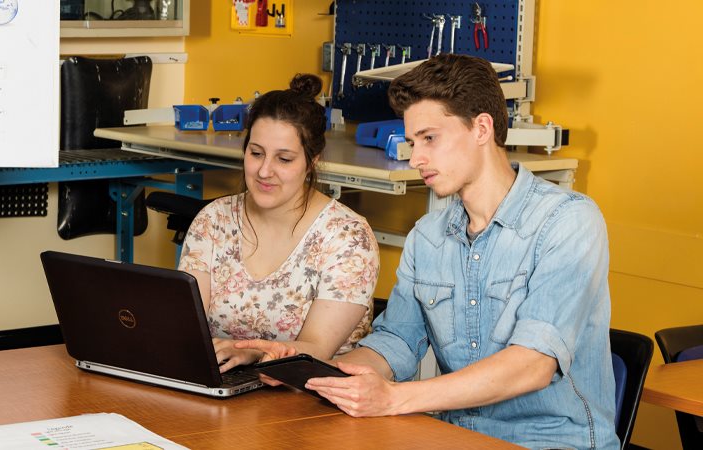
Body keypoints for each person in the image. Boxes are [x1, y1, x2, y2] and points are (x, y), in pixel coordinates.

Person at [288, 54, 616, 449]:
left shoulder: (569, 221)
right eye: (412, 142)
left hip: (551, 442)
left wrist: (394, 398)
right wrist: (307, 371)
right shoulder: (427, 236)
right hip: (452, 438)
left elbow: (532, 365)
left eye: (430, 138)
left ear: (481, 128)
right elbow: (397, 343)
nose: (416, 157)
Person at [177, 73, 380, 372]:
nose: (264, 171)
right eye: (256, 153)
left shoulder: (348, 237)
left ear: (311, 162)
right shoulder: (213, 220)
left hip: (314, 395)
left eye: (284, 159)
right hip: (225, 383)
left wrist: (252, 352)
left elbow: (317, 349)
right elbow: (186, 325)